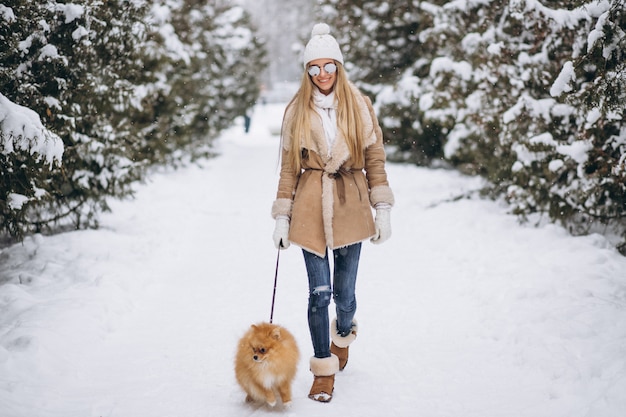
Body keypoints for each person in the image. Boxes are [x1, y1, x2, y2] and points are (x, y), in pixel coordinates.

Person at [271, 23, 394, 403]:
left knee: (344, 295)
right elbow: (289, 168)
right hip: (309, 205)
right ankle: (322, 368)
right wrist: (282, 214)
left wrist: (383, 207)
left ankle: (344, 332)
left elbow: (374, 157)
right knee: (318, 294)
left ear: (339, 67)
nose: (322, 74)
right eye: (314, 67)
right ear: (307, 71)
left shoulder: (359, 104)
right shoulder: (297, 110)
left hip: (350, 203)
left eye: (328, 66)